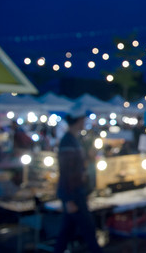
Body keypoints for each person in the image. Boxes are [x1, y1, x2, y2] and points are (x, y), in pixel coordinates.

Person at [54, 107, 102, 253]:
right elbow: (67, 171)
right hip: (74, 192)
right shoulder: (68, 141)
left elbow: (76, 167)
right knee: (88, 228)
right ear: (77, 121)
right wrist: (69, 199)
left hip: (76, 191)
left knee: (67, 230)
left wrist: (88, 157)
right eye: (82, 120)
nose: (84, 123)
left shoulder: (73, 140)